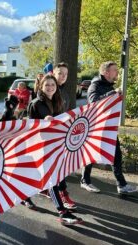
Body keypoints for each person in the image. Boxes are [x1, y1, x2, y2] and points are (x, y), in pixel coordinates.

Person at [28, 74, 83, 225]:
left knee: (49, 175)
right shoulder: (37, 102)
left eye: (52, 85)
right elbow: (45, 117)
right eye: (47, 85)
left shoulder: (57, 100)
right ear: (41, 87)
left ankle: (25, 197)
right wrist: (47, 120)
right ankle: (62, 212)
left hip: (55, 144)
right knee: (52, 178)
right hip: (40, 146)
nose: (50, 88)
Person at [80, 61, 138, 194]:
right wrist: (112, 94)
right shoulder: (95, 85)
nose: (117, 73)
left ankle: (122, 185)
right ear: (106, 72)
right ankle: (85, 181)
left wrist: (116, 97)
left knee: (116, 155)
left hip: (108, 127)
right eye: (115, 70)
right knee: (91, 154)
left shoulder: (107, 85)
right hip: (95, 127)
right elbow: (94, 102)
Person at [38, 63, 77, 210]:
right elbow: (43, 111)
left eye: (65, 74)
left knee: (55, 167)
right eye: (60, 73)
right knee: (55, 168)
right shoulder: (45, 93)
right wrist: (49, 118)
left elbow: (67, 112)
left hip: (60, 136)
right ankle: (62, 198)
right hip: (46, 138)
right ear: (53, 73)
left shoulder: (63, 93)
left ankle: (51, 191)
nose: (63, 76)